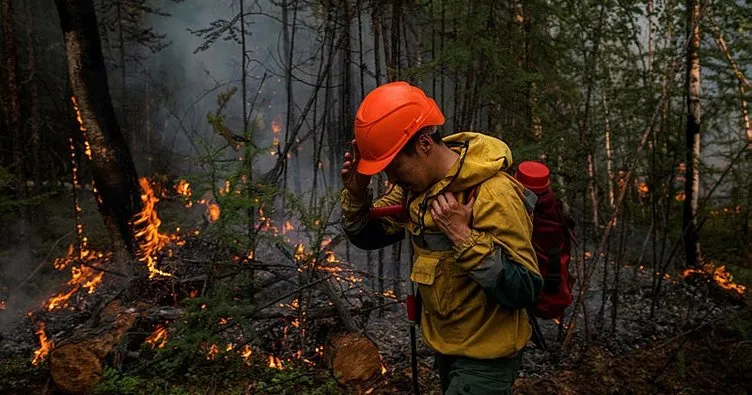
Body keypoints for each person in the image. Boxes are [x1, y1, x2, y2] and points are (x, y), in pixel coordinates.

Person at [340, 81, 543, 394]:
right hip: (448, 349)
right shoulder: (413, 191)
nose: (390, 178)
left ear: (423, 144)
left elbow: (526, 289)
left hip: (487, 359)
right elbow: (367, 238)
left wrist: (464, 237)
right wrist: (357, 196)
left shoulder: (492, 193)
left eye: (394, 165)